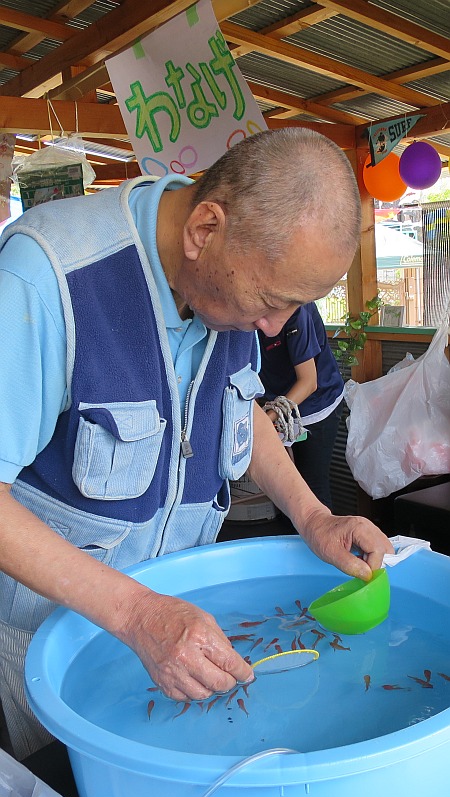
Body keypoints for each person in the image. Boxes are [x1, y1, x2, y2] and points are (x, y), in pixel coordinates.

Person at [0, 128, 394, 759]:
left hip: (181, 623)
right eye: (271, 302)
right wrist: (137, 616)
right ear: (205, 230)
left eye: (295, 307)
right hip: (56, 637)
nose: (274, 329)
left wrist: (314, 515)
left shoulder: (225, 283)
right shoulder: (43, 276)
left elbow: (240, 410)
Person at [258, 301, 344, 510]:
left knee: (311, 487)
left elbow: (308, 382)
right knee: (284, 487)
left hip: (317, 406)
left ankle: (319, 540)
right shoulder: (239, 318)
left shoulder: (296, 311)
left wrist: (266, 420)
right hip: (275, 405)